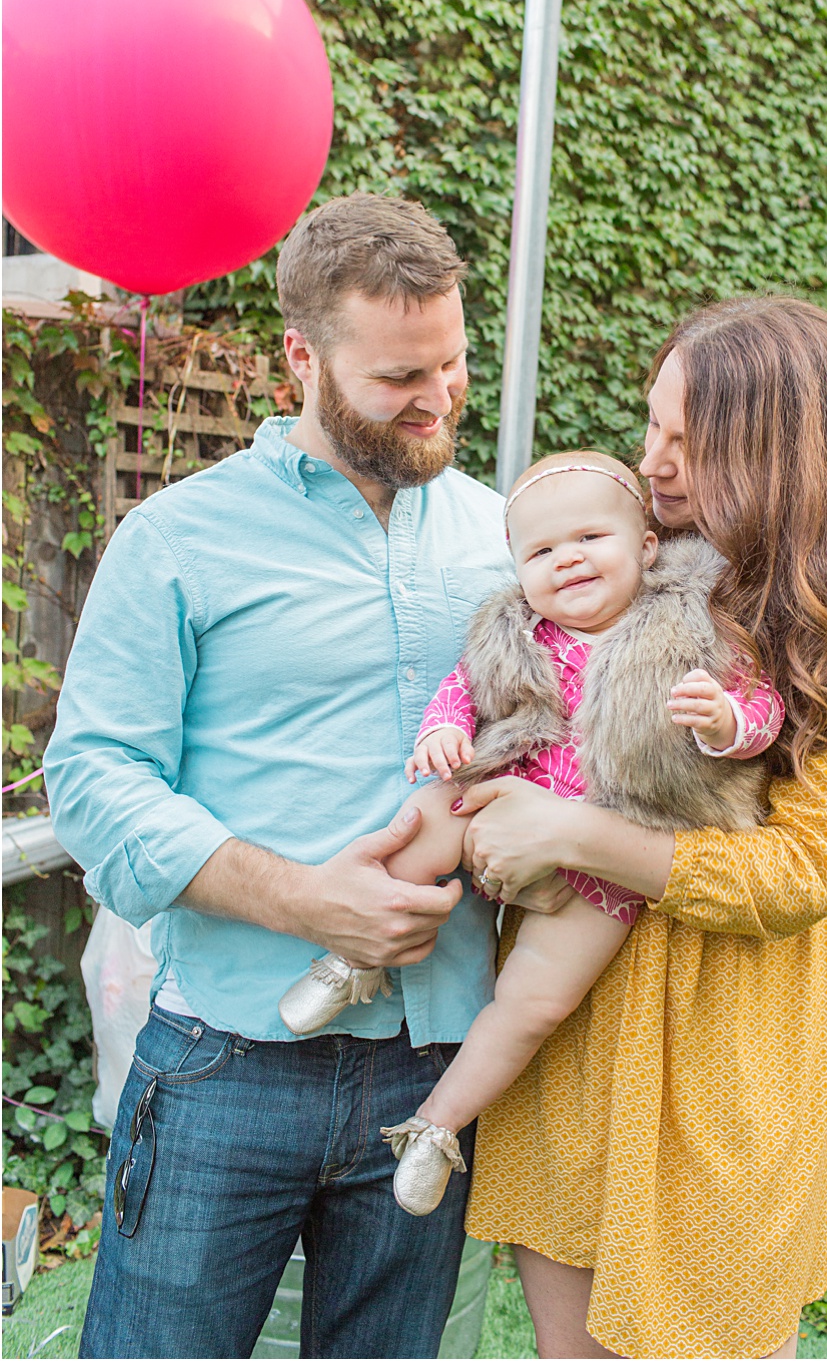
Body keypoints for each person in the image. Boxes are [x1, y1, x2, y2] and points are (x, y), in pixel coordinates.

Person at [43, 193, 560, 1361]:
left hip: (434, 1070)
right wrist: (305, 901)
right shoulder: (176, 539)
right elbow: (93, 776)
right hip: (225, 1060)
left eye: (453, 364)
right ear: (300, 357)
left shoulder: (501, 536)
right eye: (395, 380)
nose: (436, 402)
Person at [455, 296, 827, 1360]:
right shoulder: (621, 565)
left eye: (686, 439)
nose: (650, 461)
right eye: (649, 425)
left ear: (773, 450)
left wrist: (567, 833)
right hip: (576, 1025)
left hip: (735, 1054)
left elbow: (800, 872)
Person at [369, 453, 784, 1216]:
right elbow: (459, 691)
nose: (568, 559)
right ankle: (351, 955)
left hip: (611, 858)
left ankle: (434, 1126)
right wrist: (442, 733)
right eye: (541, 551)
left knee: (533, 1000)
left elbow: (761, 705)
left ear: (647, 548)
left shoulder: (692, 622)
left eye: (591, 536)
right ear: (519, 571)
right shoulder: (518, 630)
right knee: (422, 821)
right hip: (500, 800)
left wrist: (729, 723)